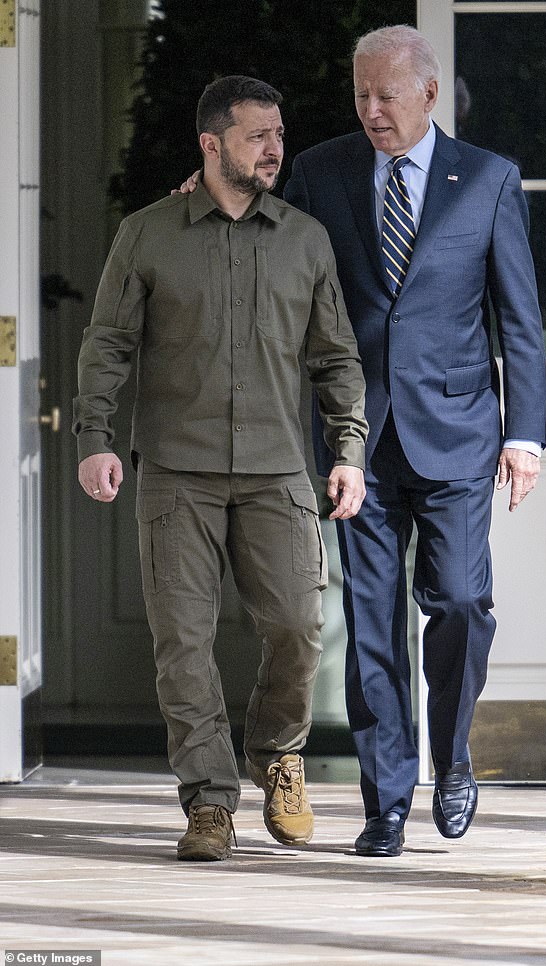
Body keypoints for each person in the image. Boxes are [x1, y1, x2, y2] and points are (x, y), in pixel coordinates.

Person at [178, 25, 546, 857]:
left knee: (457, 602)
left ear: (428, 92)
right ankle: (385, 803)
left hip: (457, 434)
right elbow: (268, 244)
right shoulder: (324, 171)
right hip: (356, 440)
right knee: (372, 622)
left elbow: (519, 321)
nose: (371, 111)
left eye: (386, 96)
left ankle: (452, 761)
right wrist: (201, 197)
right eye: (360, 96)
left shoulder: (488, 180)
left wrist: (525, 435)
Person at [73, 75, 368, 862]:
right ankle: (207, 803)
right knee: (184, 644)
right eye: (255, 135)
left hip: (278, 470)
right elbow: (108, 343)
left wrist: (348, 449)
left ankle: (278, 757)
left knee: (298, 626)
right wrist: (95, 435)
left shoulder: (304, 238)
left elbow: (335, 356)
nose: (275, 148)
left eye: (279, 132)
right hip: (178, 471)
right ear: (211, 144)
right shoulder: (148, 233)